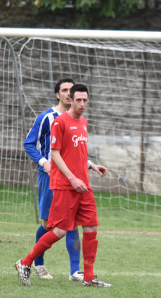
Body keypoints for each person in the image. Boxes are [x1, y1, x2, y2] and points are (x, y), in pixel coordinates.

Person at [16, 84, 111, 287]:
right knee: (58, 230)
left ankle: (88, 276)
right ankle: (25, 263)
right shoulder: (59, 122)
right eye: (78, 100)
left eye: (85, 100)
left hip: (83, 186)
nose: (82, 104)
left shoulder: (84, 122)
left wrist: (91, 166)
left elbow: (77, 153)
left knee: (91, 227)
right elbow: (55, 154)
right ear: (70, 99)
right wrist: (72, 178)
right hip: (65, 186)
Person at [23, 77, 84, 282]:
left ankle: (75, 271)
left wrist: (90, 164)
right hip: (50, 177)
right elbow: (29, 144)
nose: (69, 93)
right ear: (57, 94)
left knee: (73, 222)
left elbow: (77, 149)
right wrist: (43, 163)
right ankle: (36, 263)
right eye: (65, 90)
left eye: (71, 90)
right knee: (50, 224)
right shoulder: (46, 118)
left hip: (71, 178)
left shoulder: (77, 119)